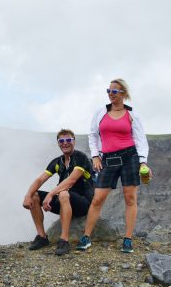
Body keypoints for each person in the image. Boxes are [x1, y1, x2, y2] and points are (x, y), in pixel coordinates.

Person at [76, 78, 152, 253]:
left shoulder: (132, 114)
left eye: (114, 91)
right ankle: (86, 236)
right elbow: (92, 135)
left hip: (130, 157)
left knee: (130, 198)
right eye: (108, 91)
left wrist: (143, 162)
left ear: (123, 94)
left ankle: (127, 239)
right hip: (107, 159)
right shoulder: (101, 112)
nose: (111, 94)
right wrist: (95, 156)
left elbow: (141, 139)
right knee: (97, 199)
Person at [22, 129, 94, 256]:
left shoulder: (80, 158)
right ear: (58, 143)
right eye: (61, 141)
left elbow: (71, 181)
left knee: (63, 193)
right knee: (34, 195)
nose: (65, 143)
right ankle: (42, 237)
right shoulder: (57, 162)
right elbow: (40, 179)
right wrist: (28, 195)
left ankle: (64, 240)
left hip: (83, 202)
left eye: (68, 140)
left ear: (74, 142)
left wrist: (50, 194)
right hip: (64, 200)